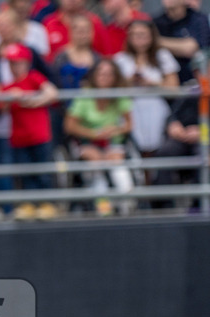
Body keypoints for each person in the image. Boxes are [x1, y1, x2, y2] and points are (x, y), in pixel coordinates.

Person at [0, 43, 60, 220]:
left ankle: (46, 204)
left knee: (43, 171)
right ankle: (28, 204)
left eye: (17, 62)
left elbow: (52, 93)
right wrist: (12, 98)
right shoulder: (8, 87)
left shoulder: (33, 78)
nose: (13, 66)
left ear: (26, 63)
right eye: (11, 63)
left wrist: (33, 100)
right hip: (19, 138)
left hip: (40, 135)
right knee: (25, 173)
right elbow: (1, 107)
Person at [63, 58, 133, 215]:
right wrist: (93, 134)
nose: (105, 78)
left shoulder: (118, 95)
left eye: (109, 74)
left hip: (112, 142)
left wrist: (114, 130)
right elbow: (69, 126)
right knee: (95, 161)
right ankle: (103, 207)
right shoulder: (84, 96)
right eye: (101, 74)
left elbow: (129, 124)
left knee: (116, 161)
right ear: (94, 76)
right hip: (88, 141)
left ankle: (126, 205)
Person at [112, 19, 179, 154]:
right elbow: (112, 88)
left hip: (156, 108)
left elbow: (174, 87)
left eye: (143, 35)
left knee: (157, 147)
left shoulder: (162, 56)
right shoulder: (120, 59)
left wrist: (153, 83)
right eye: (135, 35)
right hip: (130, 109)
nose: (139, 39)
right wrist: (129, 81)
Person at [153, 0, 210, 85]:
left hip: (195, 79)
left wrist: (158, 41)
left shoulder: (198, 19)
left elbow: (191, 48)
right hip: (167, 79)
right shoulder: (157, 22)